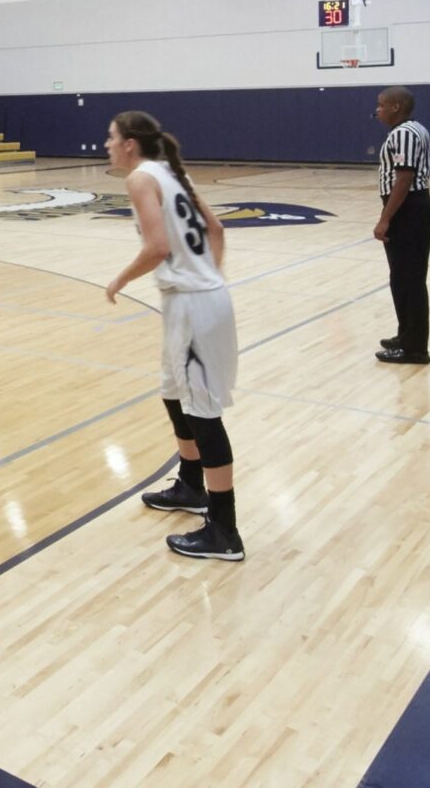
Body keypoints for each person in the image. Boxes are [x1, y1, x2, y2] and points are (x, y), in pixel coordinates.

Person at [100, 111, 243, 561]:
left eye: (110, 138)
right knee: (172, 393)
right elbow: (216, 230)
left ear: (129, 144)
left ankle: (224, 530)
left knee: (203, 414)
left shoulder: (142, 177)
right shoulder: (171, 171)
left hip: (195, 305)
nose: (106, 144)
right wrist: (209, 276)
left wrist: (118, 280)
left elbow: (158, 246)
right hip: (196, 301)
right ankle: (190, 485)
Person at [373, 87, 430, 365]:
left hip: (408, 209)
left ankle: (415, 348)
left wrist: (386, 218)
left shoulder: (403, 134)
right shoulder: (414, 129)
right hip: (410, 208)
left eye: (382, 105)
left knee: (409, 280)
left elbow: (404, 179)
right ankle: (406, 334)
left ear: (396, 107)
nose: (378, 110)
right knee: (403, 278)